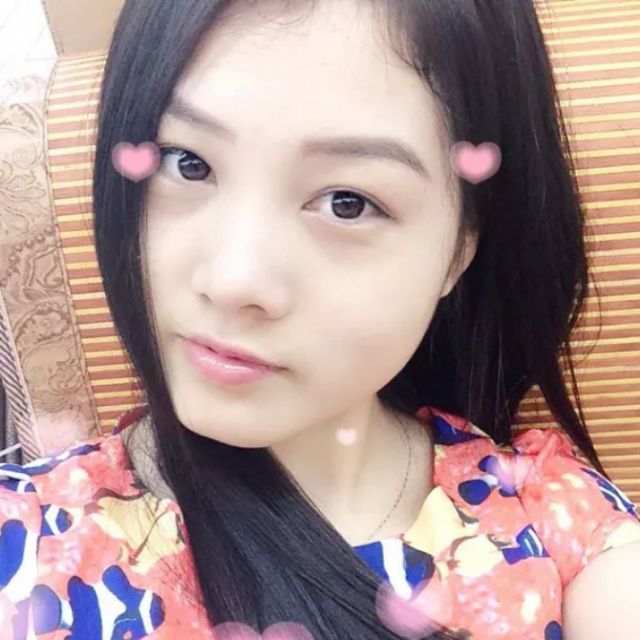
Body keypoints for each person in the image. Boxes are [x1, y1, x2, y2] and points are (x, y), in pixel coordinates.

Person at [1, 0, 639, 638]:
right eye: (186, 162)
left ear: (458, 251)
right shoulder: (25, 535)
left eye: (347, 202)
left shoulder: (555, 521)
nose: (234, 281)